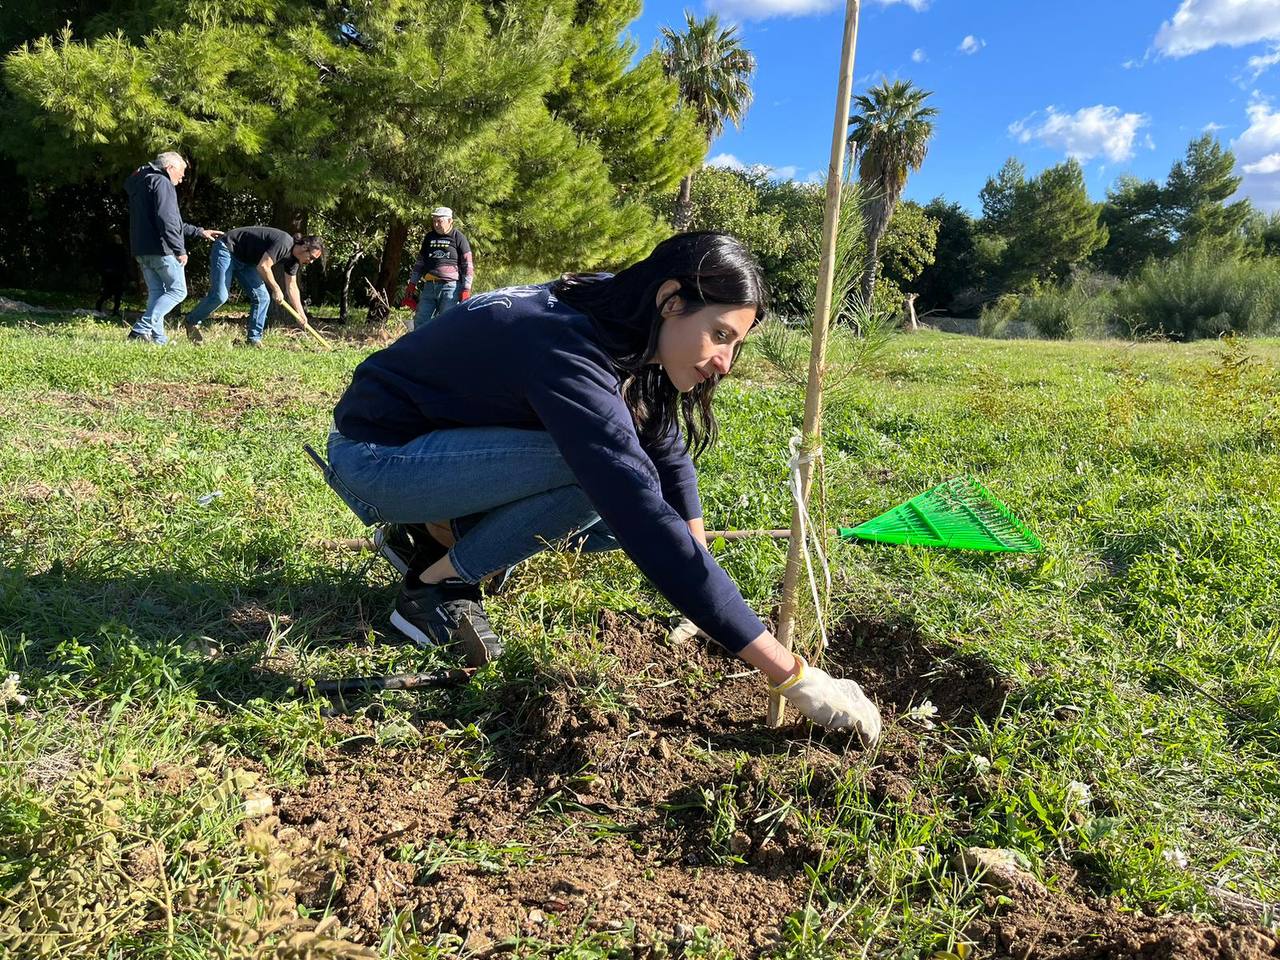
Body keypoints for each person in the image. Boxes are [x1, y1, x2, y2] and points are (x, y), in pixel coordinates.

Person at [327, 232, 881, 741]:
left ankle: (433, 535)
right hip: (379, 460)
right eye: (719, 335)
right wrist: (792, 677)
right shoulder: (566, 350)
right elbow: (641, 507)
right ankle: (434, 586)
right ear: (671, 300)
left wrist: (697, 552)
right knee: (605, 483)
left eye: (734, 344)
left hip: (440, 454)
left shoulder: (617, 313)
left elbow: (665, 447)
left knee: (626, 501)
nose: (725, 363)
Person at [124, 151, 222, 344]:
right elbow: (167, 220)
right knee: (178, 291)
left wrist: (199, 231)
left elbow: (167, 221)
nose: (183, 177)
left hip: (142, 250)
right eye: (181, 171)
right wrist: (179, 249)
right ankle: (140, 329)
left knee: (157, 293)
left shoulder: (142, 182)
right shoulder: (162, 183)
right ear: (169, 168)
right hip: (162, 250)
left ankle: (158, 339)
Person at [182, 227, 326, 346]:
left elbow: (292, 287)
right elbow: (264, 266)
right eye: (312, 258)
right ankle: (191, 322)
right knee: (220, 295)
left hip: (246, 262)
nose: (311, 262)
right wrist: (276, 288)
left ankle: (253, 340)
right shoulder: (284, 242)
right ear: (305, 246)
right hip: (227, 249)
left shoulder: (294, 261)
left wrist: (300, 314)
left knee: (263, 298)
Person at [401, 207, 474, 329]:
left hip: (450, 288)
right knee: (420, 321)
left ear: (450, 221)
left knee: (446, 324)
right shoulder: (429, 237)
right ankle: (420, 348)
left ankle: (445, 348)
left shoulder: (458, 237)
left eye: (439, 221)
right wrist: (412, 284)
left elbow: (468, 264)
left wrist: (466, 289)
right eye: (434, 221)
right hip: (429, 287)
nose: (436, 224)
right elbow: (420, 263)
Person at [95, 231, 134, 317]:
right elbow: (125, 263)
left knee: (109, 292)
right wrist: (130, 276)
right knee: (116, 294)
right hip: (116, 274)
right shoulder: (121, 249)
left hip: (110, 274)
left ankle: (101, 306)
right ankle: (115, 310)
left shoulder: (106, 249)